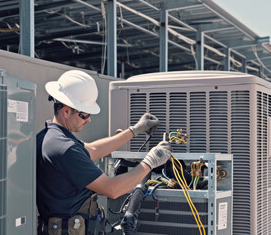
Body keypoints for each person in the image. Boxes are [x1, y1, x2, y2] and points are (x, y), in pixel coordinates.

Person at [36, 70, 172, 235]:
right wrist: (150, 161)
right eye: (84, 115)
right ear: (66, 111)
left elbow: (92, 150)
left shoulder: (50, 137)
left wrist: (134, 130)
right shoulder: (64, 148)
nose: (89, 119)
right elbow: (112, 189)